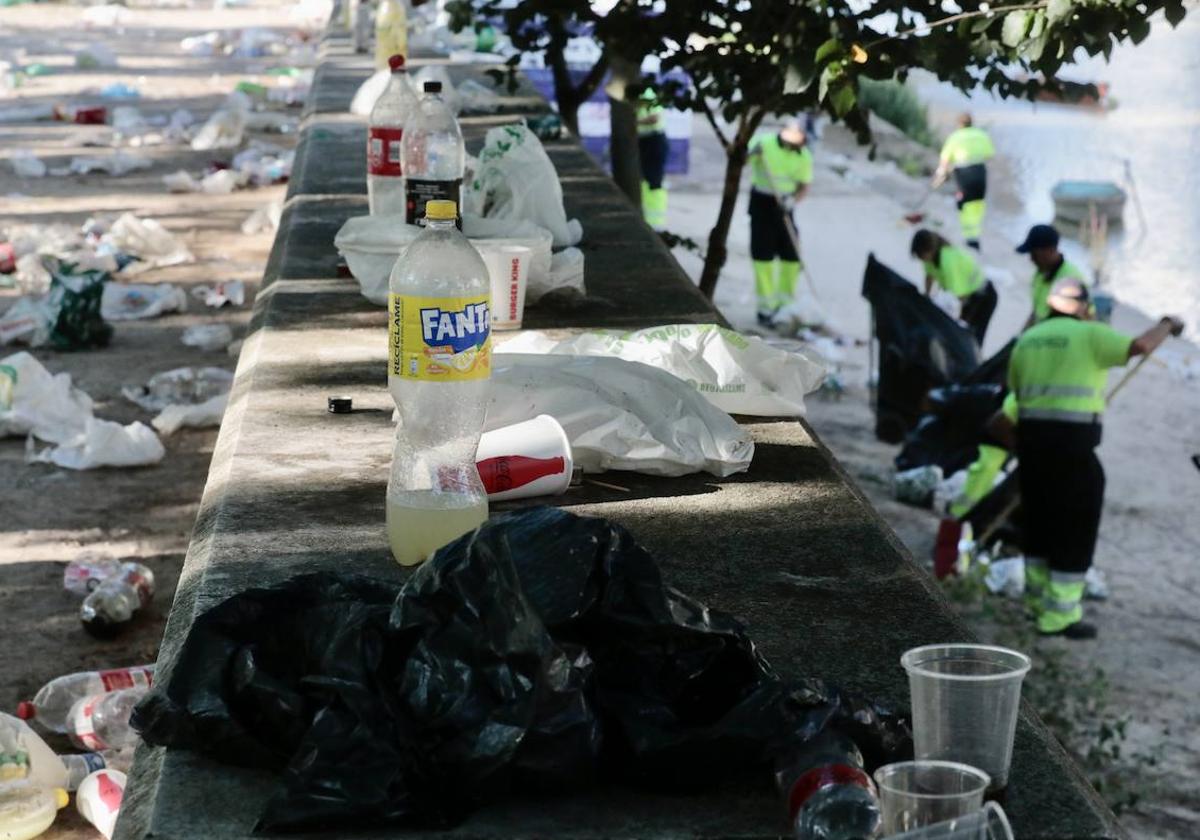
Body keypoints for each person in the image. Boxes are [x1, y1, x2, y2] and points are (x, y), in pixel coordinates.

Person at [1007, 277, 1183, 638]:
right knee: (1074, 528)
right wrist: (1167, 324)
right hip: (1071, 448)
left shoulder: (1027, 340)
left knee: (1038, 523)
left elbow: (1015, 390)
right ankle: (1059, 615)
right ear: (1084, 308)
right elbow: (1141, 345)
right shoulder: (1090, 334)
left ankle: (1037, 603)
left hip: (1032, 446)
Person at [747, 120, 813, 326]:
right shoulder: (764, 144)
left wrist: (793, 200)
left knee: (792, 256)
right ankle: (766, 309)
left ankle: (784, 304)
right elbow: (740, 159)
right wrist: (751, 152)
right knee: (763, 257)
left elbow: (804, 186)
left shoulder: (804, 155)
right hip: (762, 203)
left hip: (785, 205)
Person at [910, 228, 998, 346]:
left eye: (920, 255)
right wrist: (927, 297)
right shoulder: (929, 259)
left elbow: (960, 297)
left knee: (971, 337)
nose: (920, 259)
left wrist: (957, 320)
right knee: (958, 331)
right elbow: (929, 276)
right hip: (967, 294)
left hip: (983, 297)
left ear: (929, 250)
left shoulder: (948, 261)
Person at [932, 114, 994, 251]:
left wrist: (942, 172)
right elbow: (989, 155)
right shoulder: (981, 134)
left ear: (959, 124)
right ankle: (974, 237)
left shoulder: (956, 137)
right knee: (977, 204)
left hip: (964, 174)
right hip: (980, 172)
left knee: (964, 204)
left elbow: (945, 159)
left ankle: (969, 237)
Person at [1016, 223, 1087, 326]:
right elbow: (1036, 312)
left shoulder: (1070, 280)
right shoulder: (1040, 273)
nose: (1031, 259)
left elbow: (1075, 322)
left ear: (1050, 251)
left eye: (1034, 254)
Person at [635, 85, 670, 232]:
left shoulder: (646, 93)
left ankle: (655, 222)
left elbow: (654, 117)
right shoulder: (635, 94)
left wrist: (634, 123)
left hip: (653, 141)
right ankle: (647, 219)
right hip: (644, 142)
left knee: (654, 183)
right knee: (645, 182)